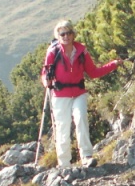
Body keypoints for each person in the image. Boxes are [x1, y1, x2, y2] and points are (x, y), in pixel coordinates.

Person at [40, 19, 124, 169]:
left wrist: (113, 64)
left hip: (79, 93)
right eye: (62, 34)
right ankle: (64, 164)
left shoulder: (81, 51)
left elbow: (93, 72)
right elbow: (45, 72)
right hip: (60, 95)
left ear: (73, 34)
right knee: (63, 127)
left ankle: (86, 157)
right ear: (58, 36)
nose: (66, 36)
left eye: (68, 33)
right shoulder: (53, 52)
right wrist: (46, 81)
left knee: (81, 121)